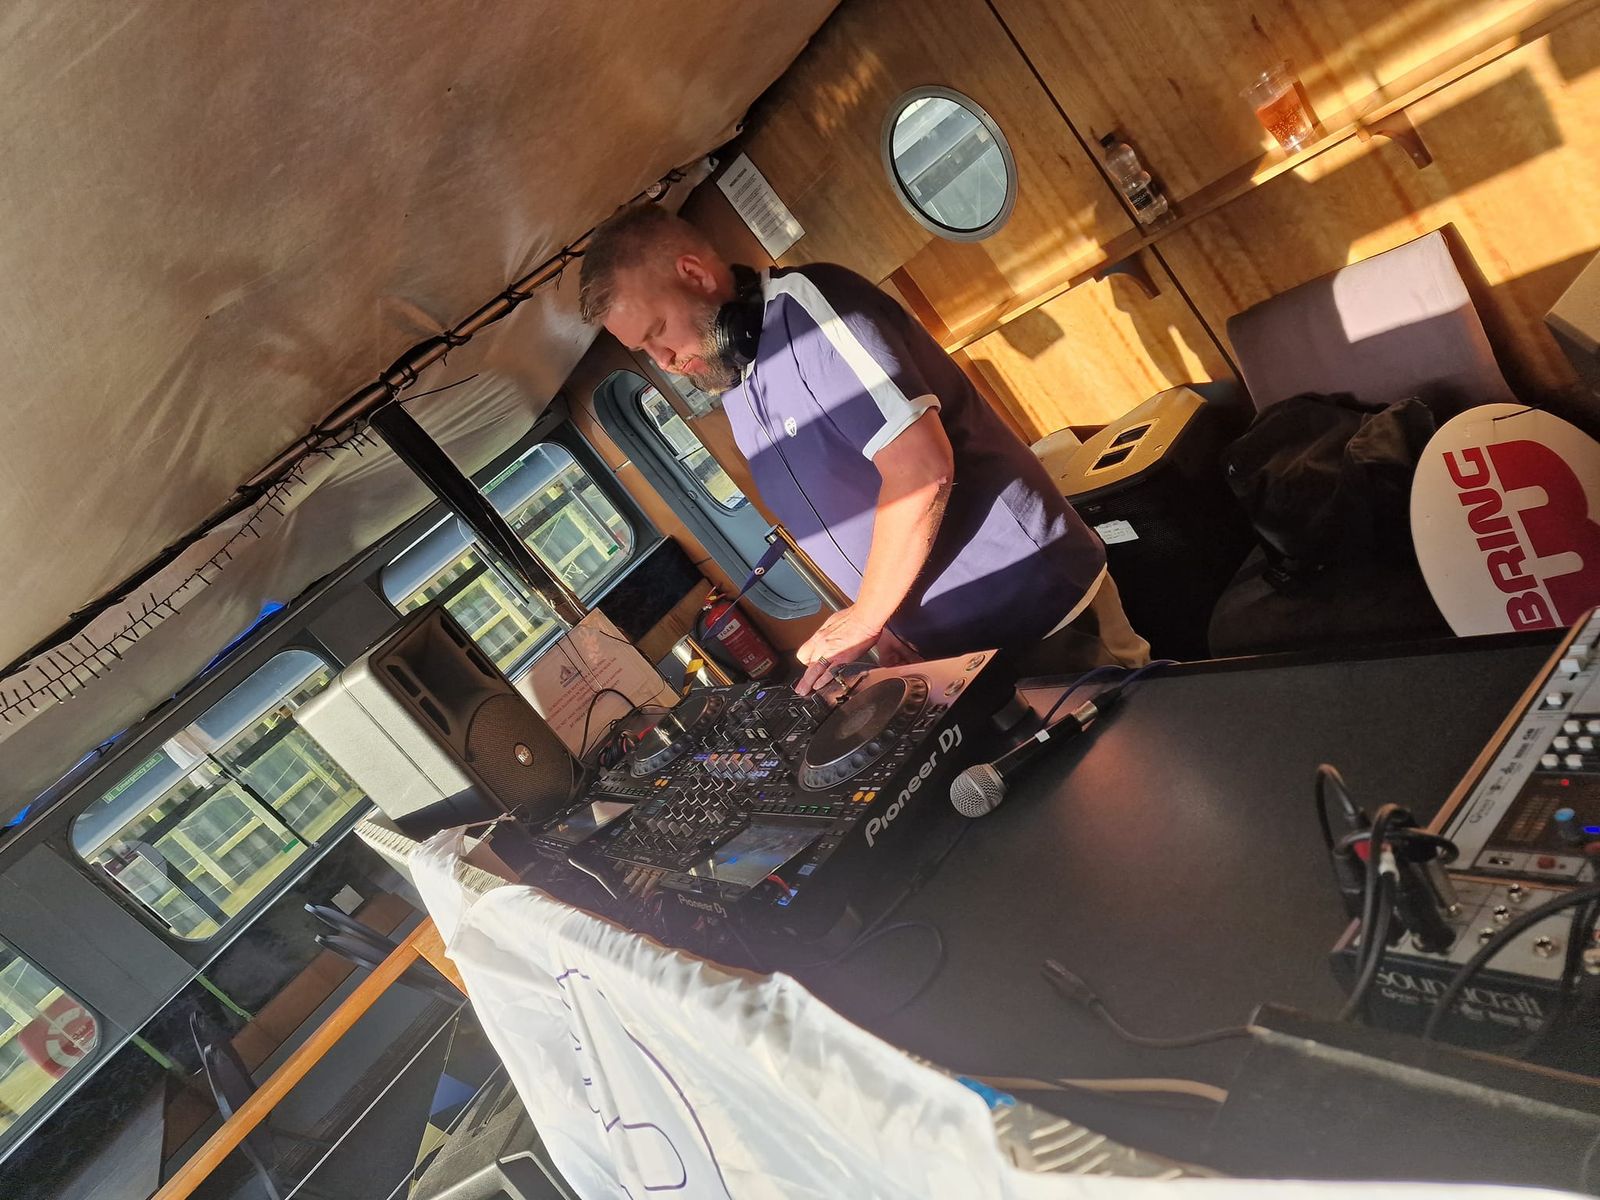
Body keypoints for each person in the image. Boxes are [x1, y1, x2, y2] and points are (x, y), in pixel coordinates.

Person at [578, 206, 1148, 693]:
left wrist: (867, 618)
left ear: (694, 274)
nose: (663, 361)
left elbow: (920, 469)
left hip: (1036, 607)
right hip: (954, 649)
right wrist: (892, 627)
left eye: (657, 331)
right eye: (644, 351)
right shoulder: (738, 392)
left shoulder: (811, 309)